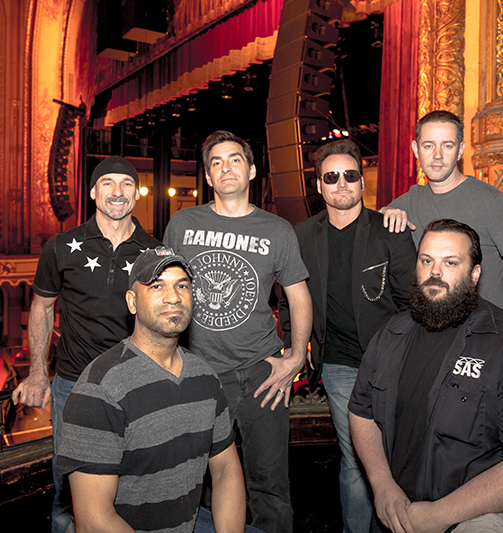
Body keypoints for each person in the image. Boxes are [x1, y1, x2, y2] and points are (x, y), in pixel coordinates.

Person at [349, 219, 503, 533]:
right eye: (426, 260)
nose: (435, 272)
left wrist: (440, 515)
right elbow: (361, 412)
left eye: (450, 262)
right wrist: (382, 485)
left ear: (475, 275)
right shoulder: (392, 333)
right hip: (407, 511)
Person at [163, 130, 313, 533]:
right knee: (203, 483)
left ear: (251, 170)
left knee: (269, 482)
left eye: (234, 159)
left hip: (262, 372)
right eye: (216, 162)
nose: (225, 167)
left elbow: (298, 296)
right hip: (200, 373)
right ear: (208, 177)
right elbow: (164, 293)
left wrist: (296, 356)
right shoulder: (183, 223)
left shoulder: (278, 230)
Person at [11, 155, 160, 533]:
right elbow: (42, 308)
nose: (117, 192)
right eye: (107, 183)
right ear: (93, 192)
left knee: (131, 483)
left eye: (126, 184)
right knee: (68, 491)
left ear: (137, 194)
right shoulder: (62, 246)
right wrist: (37, 374)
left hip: (134, 386)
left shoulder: (154, 254)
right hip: (73, 385)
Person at [56, 246, 248, 533]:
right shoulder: (99, 389)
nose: (173, 297)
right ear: (132, 302)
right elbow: (93, 521)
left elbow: (226, 472)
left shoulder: (205, 377)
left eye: (182, 285)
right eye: (157, 286)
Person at [281, 139, 416, 533]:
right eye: (331, 177)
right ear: (319, 186)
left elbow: (411, 301)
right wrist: (295, 345)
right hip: (339, 365)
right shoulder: (302, 235)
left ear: (361, 183)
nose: (342, 183)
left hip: (394, 364)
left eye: (350, 175)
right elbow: (290, 297)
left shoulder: (389, 229)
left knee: (399, 455)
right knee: (356, 457)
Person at [382, 110, 503, 334]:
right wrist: (384, 213)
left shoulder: (490, 202)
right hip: (428, 341)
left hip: (481, 342)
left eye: (447, 145)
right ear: (416, 150)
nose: (437, 155)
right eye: (428, 146)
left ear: (461, 150)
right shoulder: (406, 203)